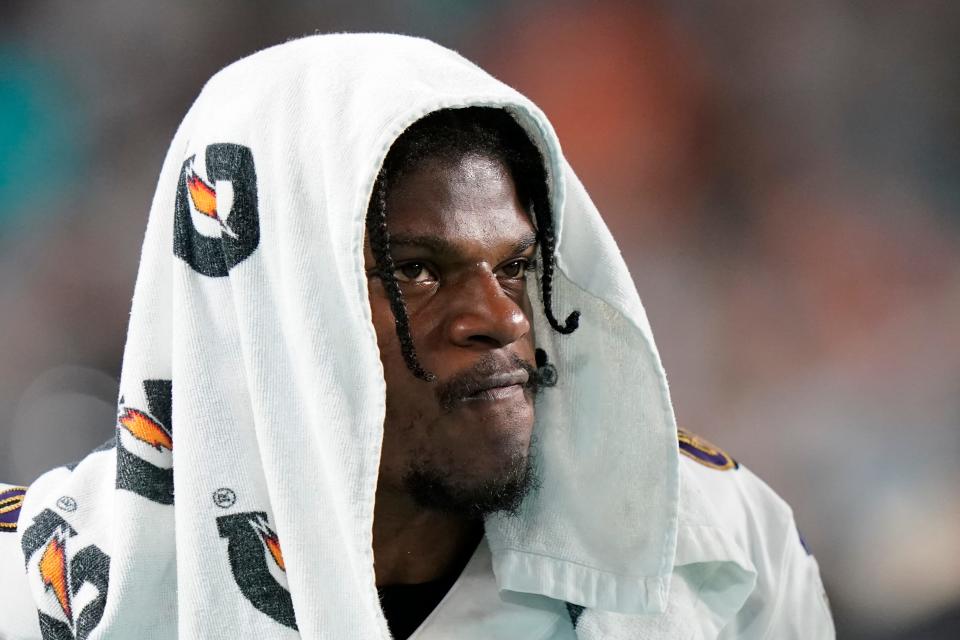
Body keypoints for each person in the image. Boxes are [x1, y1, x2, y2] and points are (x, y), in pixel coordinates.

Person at [0, 34, 834, 639]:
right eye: (420, 273)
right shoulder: (38, 589)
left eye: (515, 267)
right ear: (269, 304)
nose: (501, 319)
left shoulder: (726, 554)